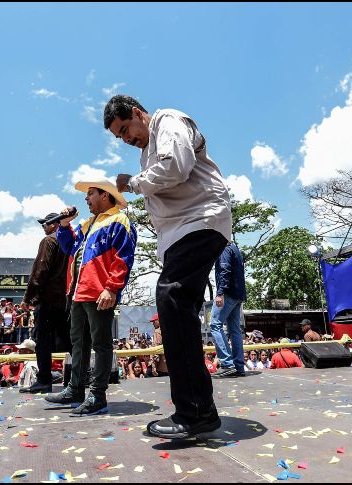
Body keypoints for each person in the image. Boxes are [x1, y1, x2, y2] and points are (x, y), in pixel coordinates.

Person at [107, 94, 232, 439]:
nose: (126, 139)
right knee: (179, 306)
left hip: (200, 221)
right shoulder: (148, 149)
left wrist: (132, 183)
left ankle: (196, 412)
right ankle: (196, 409)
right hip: (181, 232)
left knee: (172, 299)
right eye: (119, 138)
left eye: (124, 129)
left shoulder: (168, 121)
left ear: (136, 113)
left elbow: (176, 167)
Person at [44, 180, 136, 417]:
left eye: (91, 194)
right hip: (78, 292)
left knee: (101, 344)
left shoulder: (120, 220)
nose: (86, 199)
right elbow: (69, 248)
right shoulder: (88, 224)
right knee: (78, 343)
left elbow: (124, 257)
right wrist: (64, 224)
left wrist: (112, 288)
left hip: (99, 293)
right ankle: (75, 389)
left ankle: (98, 395)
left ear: (105, 196)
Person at [21, 212, 70, 394]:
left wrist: (27, 298)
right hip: (64, 300)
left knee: (42, 341)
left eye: (46, 224)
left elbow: (39, 272)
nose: (44, 227)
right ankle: (77, 378)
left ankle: (44, 380)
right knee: (69, 341)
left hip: (48, 299)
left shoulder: (49, 241)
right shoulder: (69, 242)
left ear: (56, 224)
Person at [210, 242, 247, 379]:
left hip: (228, 294)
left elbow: (224, 270)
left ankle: (227, 364)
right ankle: (239, 367)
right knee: (234, 330)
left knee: (215, 325)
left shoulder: (224, 249)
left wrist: (220, 293)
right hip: (238, 294)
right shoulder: (235, 249)